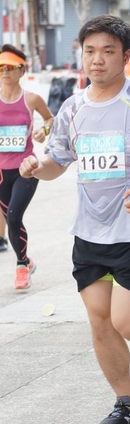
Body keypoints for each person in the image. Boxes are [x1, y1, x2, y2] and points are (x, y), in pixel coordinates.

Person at [19, 15, 130, 424]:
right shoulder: (73, 107)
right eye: (90, 51)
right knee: (100, 321)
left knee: (127, 323)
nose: (97, 60)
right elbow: (58, 161)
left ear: (126, 56)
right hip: (88, 232)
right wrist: (36, 166)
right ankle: (126, 402)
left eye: (108, 51)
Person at [0, 44, 54, 289]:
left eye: (11, 67)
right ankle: (26, 261)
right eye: (1, 67)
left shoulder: (31, 99)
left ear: (22, 70)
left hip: (26, 168)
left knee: (13, 217)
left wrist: (44, 130)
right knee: (11, 221)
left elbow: (50, 118)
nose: (5, 71)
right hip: (1, 173)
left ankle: (21, 266)